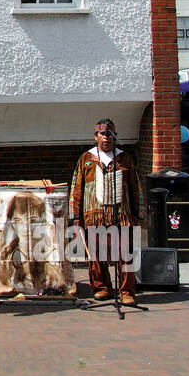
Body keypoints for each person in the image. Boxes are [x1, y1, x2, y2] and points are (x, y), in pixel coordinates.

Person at [69, 118, 144, 305]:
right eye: (103, 134)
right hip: (94, 216)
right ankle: (102, 288)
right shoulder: (86, 159)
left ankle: (127, 292)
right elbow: (76, 189)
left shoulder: (124, 158)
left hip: (121, 215)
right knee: (96, 255)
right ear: (96, 136)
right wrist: (76, 217)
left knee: (125, 254)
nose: (107, 138)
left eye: (110, 134)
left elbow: (135, 187)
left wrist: (137, 213)